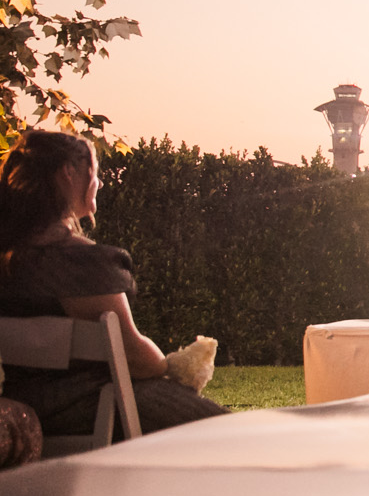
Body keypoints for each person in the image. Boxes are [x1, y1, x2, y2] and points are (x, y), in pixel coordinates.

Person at [0, 131, 227, 440]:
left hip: (25, 408)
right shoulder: (79, 264)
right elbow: (137, 358)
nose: (100, 183)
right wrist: (169, 364)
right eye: (95, 172)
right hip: (95, 408)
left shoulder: (10, 261)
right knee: (234, 437)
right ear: (68, 172)